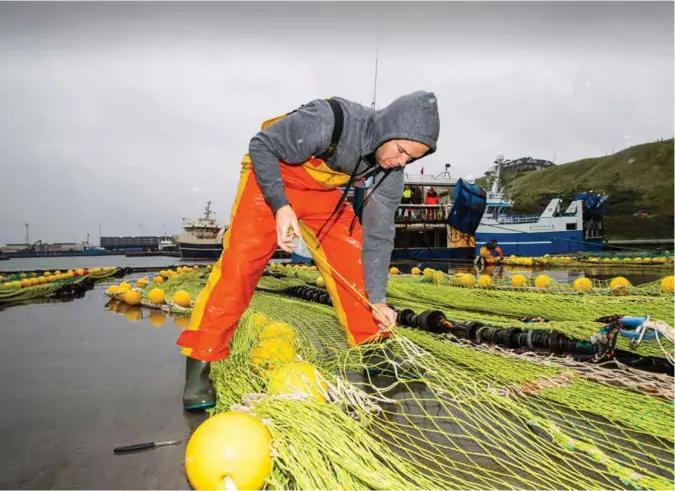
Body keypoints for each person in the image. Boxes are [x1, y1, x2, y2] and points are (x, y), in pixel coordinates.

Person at [178, 91, 440, 410]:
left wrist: (379, 300)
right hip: (271, 177)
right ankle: (199, 365)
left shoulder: (390, 172)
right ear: (387, 128)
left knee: (353, 260)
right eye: (401, 150)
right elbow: (262, 145)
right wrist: (281, 206)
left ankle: (373, 350)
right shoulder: (328, 120)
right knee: (239, 268)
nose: (402, 162)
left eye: (410, 159)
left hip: (322, 193)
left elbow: (379, 237)